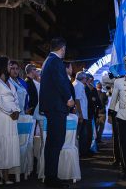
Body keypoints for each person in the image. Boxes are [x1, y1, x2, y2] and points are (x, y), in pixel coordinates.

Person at [39, 37, 74, 188]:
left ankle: (50, 176)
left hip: (51, 108)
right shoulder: (56, 61)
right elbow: (61, 81)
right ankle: (51, 178)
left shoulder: (48, 60)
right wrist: (68, 98)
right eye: (65, 49)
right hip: (56, 108)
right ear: (62, 48)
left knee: (52, 143)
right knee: (56, 142)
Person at [0, 56, 20, 185]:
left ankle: (6, 175)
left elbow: (15, 98)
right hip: (0, 118)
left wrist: (17, 110)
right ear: (2, 66)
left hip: (11, 119)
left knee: (8, 146)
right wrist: (11, 112)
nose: (10, 67)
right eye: (8, 65)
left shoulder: (10, 82)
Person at [73, 71, 89, 157]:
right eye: (86, 78)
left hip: (81, 114)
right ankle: (82, 153)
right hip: (81, 114)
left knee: (81, 134)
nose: (86, 80)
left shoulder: (77, 84)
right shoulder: (79, 85)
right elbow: (77, 100)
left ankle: (81, 152)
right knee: (82, 134)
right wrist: (81, 115)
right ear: (83, 78)